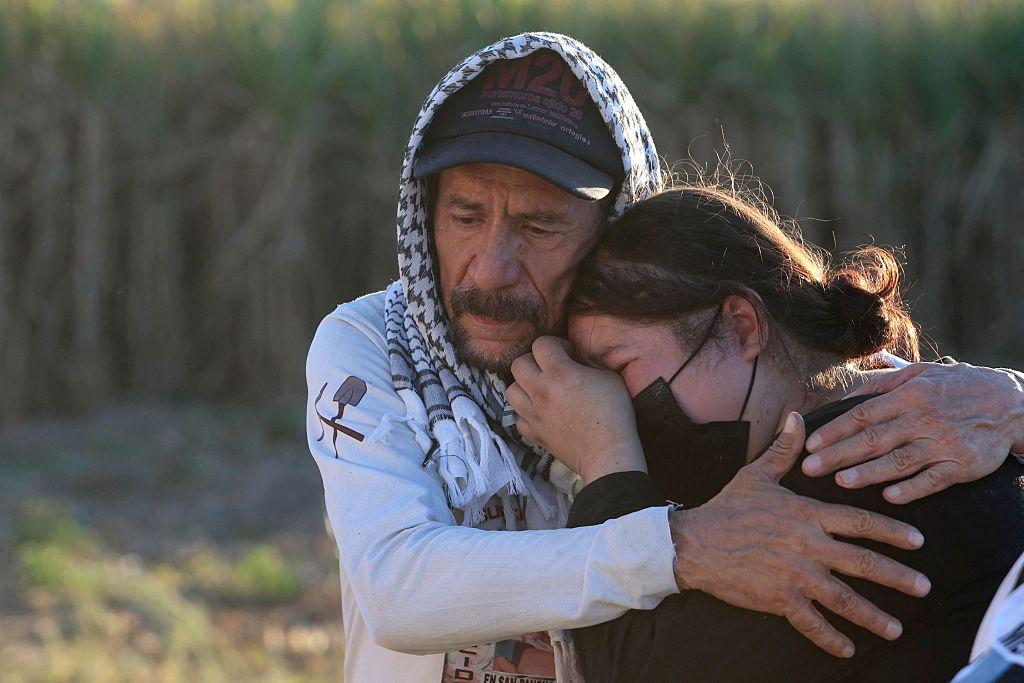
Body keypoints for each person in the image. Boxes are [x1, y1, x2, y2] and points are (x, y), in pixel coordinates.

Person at [305, 32, 1024, 682]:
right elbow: (397, 586)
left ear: (612, 229)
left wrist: (1013, 401)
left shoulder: (713, 389)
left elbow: (855, 385)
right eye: (464, 215)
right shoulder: (374, 344)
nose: (490, 268)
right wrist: (679, 542)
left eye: (540, 225)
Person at [507, 183, 1024, 681]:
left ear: (741, 327)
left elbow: (632, 671)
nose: (613, 404)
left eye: (619, 369)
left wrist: (607, 460)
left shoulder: (860, 465)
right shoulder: (921, 414)